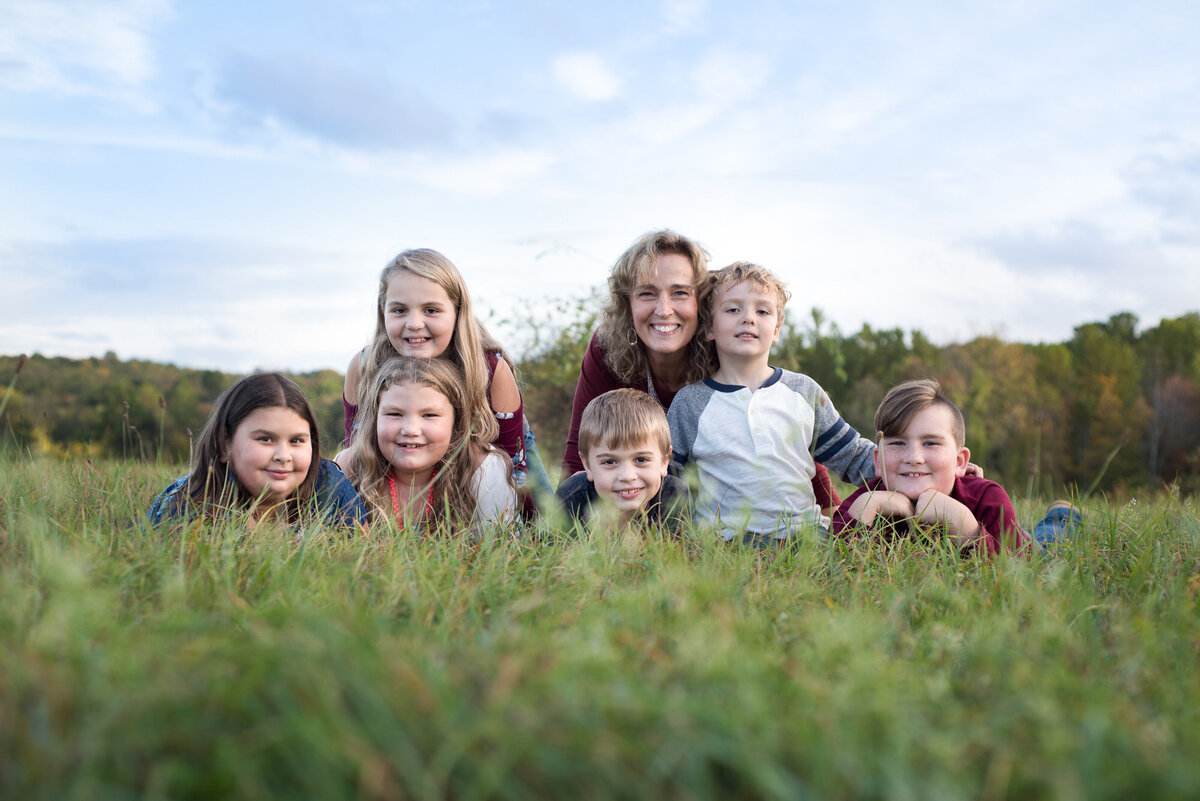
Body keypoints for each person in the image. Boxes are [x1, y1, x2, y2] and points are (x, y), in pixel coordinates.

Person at [560, 229, 840, 512]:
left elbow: (788, 443)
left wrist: (837, 521)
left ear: (701, 301)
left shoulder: (727, 350)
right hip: (640, 500)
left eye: (680, 293)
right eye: (647, 293)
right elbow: (580, 458)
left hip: (719, 515)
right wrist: (566, 525)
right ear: (627, 303)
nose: (664, 309)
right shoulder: (608, 348)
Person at [668, 262, 877, 545]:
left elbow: (853, 456)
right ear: (709, 328)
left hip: (807, 538)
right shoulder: (691, 403)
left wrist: (908, 464)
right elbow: (669, 481)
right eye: (732, 309)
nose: (748, 318)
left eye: (762, 311)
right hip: (724, 543)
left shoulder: (803, 392)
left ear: (776, 330)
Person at [343, 249, 546, 503]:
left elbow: (515, 471)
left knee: (547, 521)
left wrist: (522, 532)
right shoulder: (365, 367)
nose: (414, 323)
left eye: (431, 310)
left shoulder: (489, 369)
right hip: (408, 475)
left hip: (493, 468)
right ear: (383, 312)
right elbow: (359, 456)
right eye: (399, 310)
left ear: (457, 311)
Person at [830, 378, 1032, 555]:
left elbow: (1015, 569)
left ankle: (1059, 515)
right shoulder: (866, 499)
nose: (913, 457)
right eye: (898, 443)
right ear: (878, 461)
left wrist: (965, 525)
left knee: (1050, 536)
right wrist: (865, 509)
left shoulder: (987, 498)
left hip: (1033, 541)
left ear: (959, 461)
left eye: (931, 443)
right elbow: (832, 563)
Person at [147, 373, 368, 529]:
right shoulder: (189, 504)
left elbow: (366, 558)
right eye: (265, 439)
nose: (283, 455)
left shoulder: (329, 487)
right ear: (225, 444)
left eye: (297, 440)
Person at [338, 356, 517, 536]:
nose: (411, 430)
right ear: (375, 418)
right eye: (394, 414)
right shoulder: (348, 468)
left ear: (456, 422)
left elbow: (499, 550)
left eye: (429, 415)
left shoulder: (483, 470)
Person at [555, 388, 690, 532]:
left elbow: (680, 550)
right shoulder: (572, 497)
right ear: (587, 465)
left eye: (641, 459)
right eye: (609, 462)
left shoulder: (675, 496)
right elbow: (551, 549)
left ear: (664, 461)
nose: (627, 476)